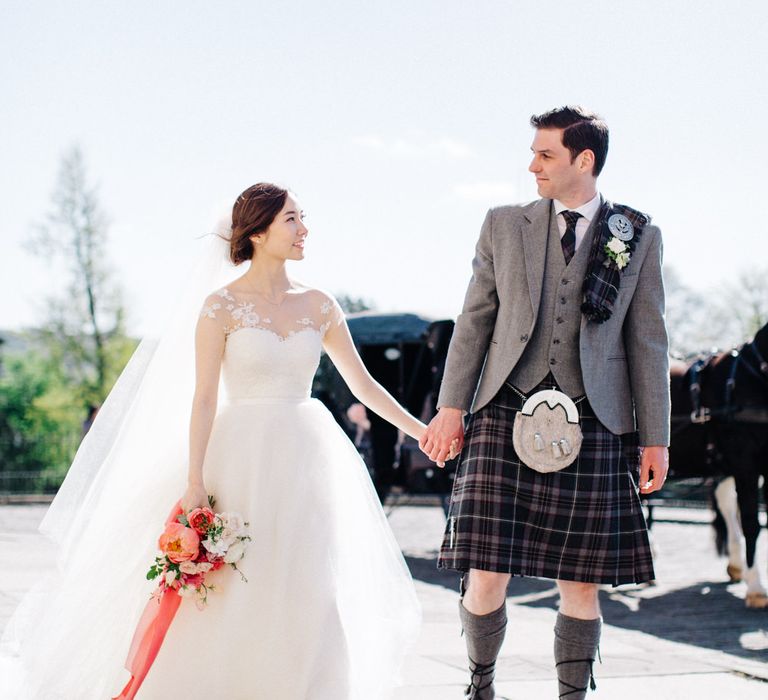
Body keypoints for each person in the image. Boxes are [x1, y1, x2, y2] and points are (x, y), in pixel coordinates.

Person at [1, 183, 424, 699]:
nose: (304, 229)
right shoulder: (220, 307)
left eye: (302, 218)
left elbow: (364, 386)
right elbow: (203, 398)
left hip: (306, 457)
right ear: (260, 231)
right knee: (235, 580)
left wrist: (421, 432)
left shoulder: (319, 304)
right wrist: (195, 480)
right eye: (292, 219)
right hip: (239, 457)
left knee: (309, 578)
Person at [420, 106, 670, 699]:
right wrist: (451, 406)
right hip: (505, 407)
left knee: (582, 582)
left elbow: (649, 339)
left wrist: (654, 436)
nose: (531, 164)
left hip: (597, 417)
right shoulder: (504, 224)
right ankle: (481, 688)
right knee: (485, 572)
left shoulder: (637, 233)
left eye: (545, 154)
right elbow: (474, 320)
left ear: (584, 160)